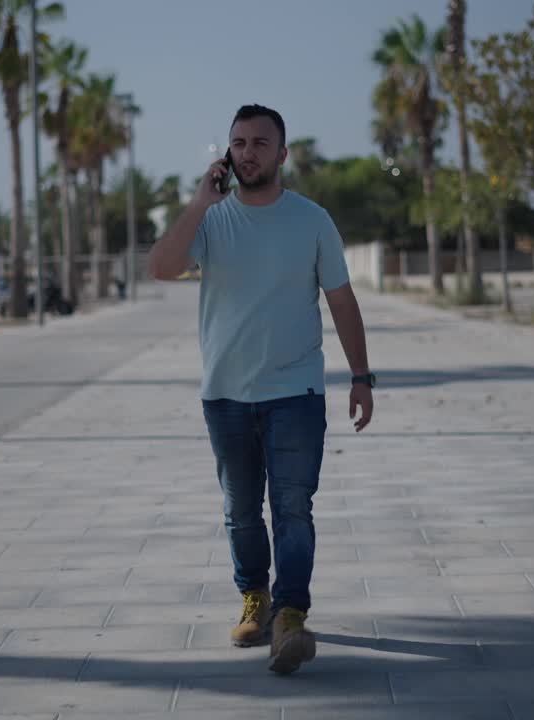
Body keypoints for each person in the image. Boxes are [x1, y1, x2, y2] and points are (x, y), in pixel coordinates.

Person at [147, 104, 375, 675]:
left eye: (260, 142)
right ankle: (256, 597)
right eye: (239, 142)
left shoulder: (312, 220)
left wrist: (361, 376)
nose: (248, 152)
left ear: (282, 153)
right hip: (224, 394)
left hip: (295, 392)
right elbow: (160, 267)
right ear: (227, 152)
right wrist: (201, 201)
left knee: (293, 507)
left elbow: (342, 301)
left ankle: (291, 614)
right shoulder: (212, 220)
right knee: (242, 510)